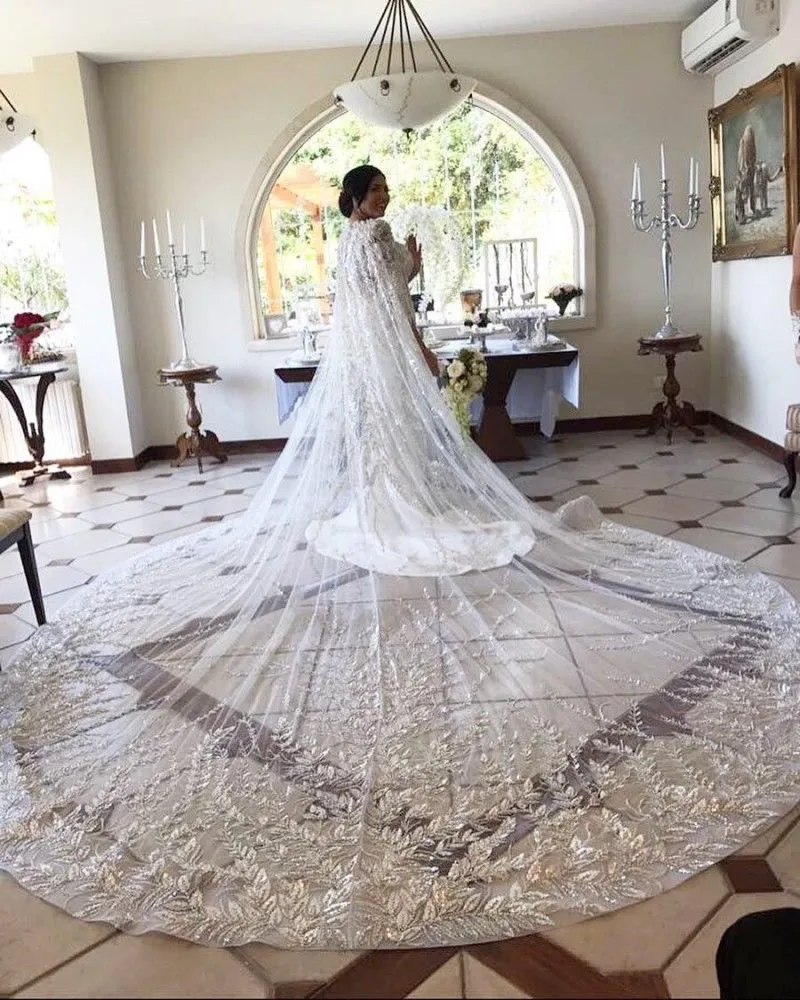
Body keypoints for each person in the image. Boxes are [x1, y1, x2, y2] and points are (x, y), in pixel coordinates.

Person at [1, 165, 800, 951]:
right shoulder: (369, 237)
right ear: (356, 199)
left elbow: (377, 293)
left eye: (384, 191)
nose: (383, 198)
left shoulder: (363, 241)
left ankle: (392, 507)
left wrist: (408, 270)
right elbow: (385, 305)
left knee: (390, 451)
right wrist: (415, 339)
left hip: (367, 363)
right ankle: (398, 511)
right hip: (382, 359)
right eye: (375, 190)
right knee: (399, 444)